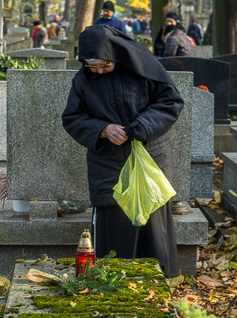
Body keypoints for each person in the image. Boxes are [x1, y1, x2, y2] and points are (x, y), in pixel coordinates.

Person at [62, 25, 184, 278]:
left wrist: (140, 127)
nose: (98, 71)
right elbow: (73, 117)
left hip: (149, 157)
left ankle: (157, 281)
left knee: (153, 225)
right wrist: (103, 130)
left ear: (116, 54)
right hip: (108, 161)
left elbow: (170, 102)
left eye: (104, 66)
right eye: (92, 66)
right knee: (115, 224)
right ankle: (113, 279)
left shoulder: (145, 67)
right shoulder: (83, 79)